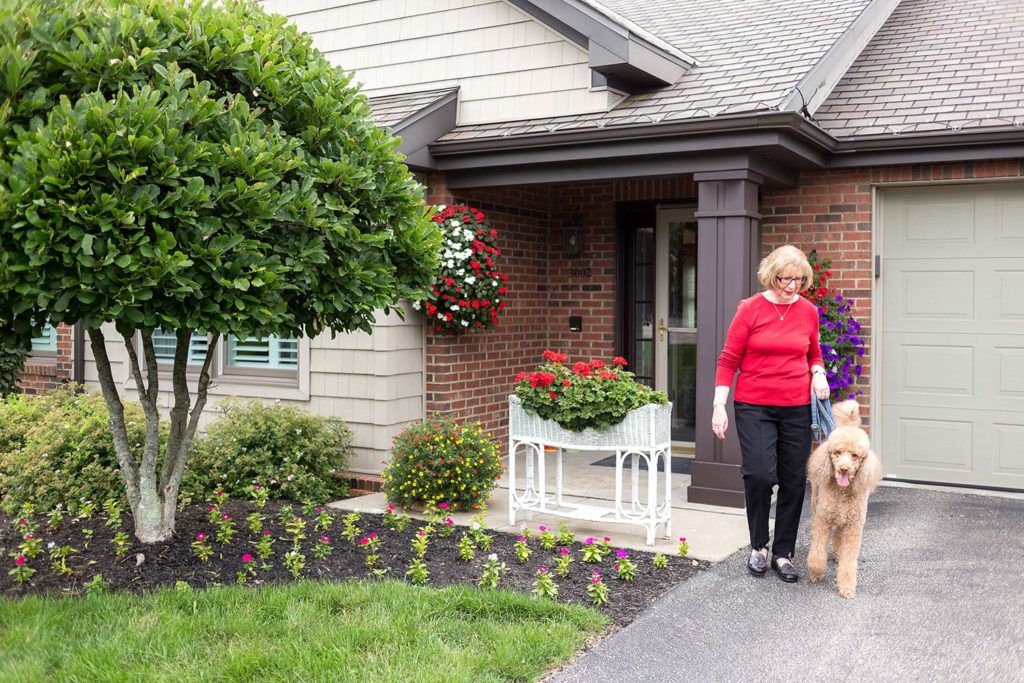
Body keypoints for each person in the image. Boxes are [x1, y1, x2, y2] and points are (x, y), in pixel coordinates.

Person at [711, 245, 829, 583]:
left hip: (796, 406)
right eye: (784, 278)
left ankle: (783, 553)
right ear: (770, 275)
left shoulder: (808, 311)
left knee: (793, 480)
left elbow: (814, 354)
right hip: (754, 405)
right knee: (760, 474)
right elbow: (728, 360)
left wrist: (818, 373)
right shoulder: (750, 309)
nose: (791, 286)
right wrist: (719, 405)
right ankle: (758, 546)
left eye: (798, 279)